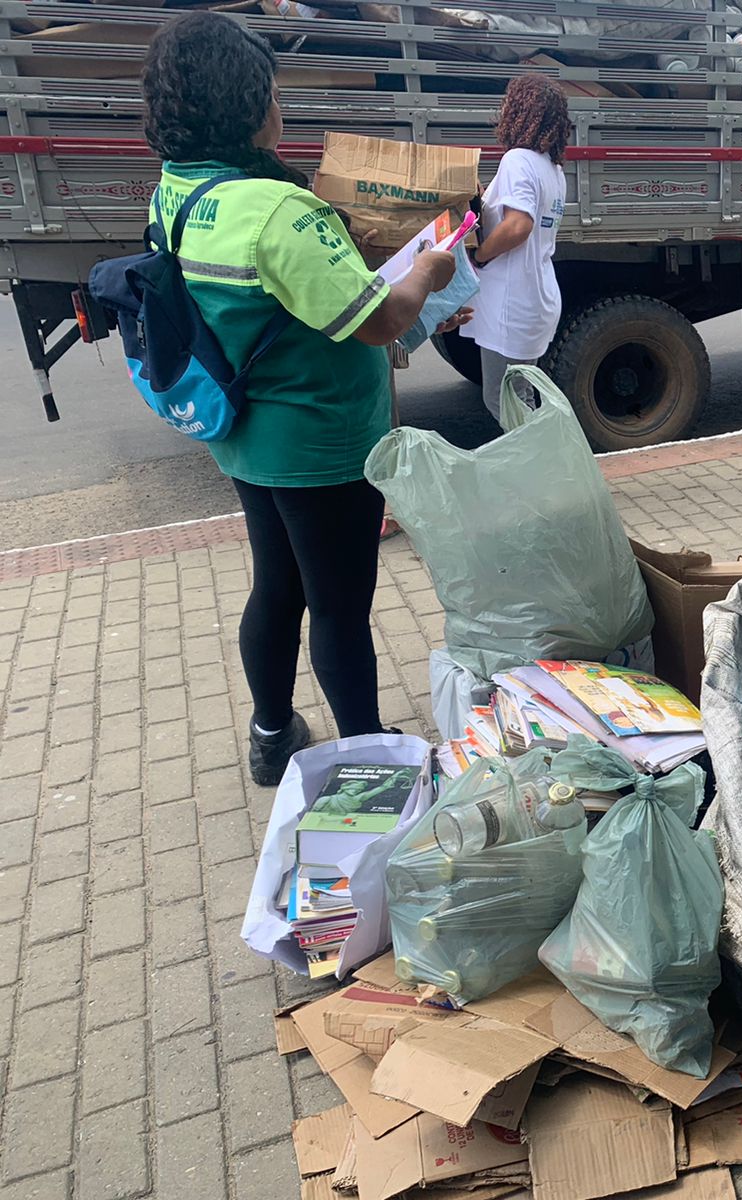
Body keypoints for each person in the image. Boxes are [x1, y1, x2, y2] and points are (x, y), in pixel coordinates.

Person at [143, 12, 466, 785]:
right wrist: (429, 271)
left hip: (247, 433)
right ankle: (366, 755)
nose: (279, 110)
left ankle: (271, 733)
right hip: (322, 444)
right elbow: (378, 318)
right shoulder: (280, 212)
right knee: (340, 607)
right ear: (247, 105)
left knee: (277, 584)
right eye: (272, 95)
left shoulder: (180, 191)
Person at [464, 74, 570, 424]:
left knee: (502, 400)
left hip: (512, 304)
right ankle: (539, 469)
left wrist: (478, 257)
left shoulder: (517, 160)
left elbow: (518, 225)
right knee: (521, 397)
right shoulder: (552, 169)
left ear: (520, 111)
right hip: (535, 299)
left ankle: (532, 473)